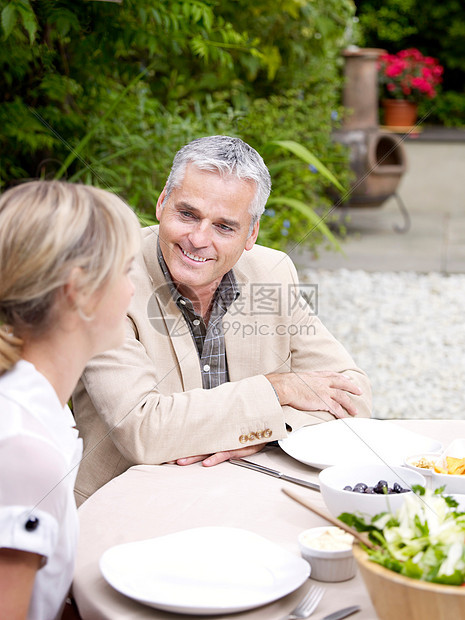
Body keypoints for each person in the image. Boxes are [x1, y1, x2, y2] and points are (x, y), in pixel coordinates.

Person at [72, 135, 371, 505]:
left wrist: (265, 431)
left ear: (251, 233)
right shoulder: (107, 278)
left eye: (224, 227)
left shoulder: (272, 272)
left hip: (246, 498)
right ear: (163, 203)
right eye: (188, 214)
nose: (198, 239)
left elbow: (354, 394)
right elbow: (144, 430)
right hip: (124, 508)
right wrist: (279, 390)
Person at [0, 180, 141, 620]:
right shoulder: (25, 452)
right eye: (124, 270)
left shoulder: (39, 407)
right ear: (78, 289)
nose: (133, 289)